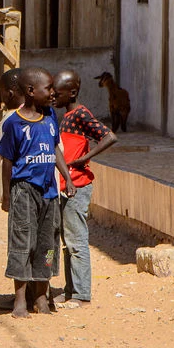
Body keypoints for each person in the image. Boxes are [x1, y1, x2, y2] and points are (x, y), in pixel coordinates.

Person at [0, 67, 76, 318]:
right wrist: (7, 196)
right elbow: (7, 161)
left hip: (49, 193)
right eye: (48, 89)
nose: (53, 93)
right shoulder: (14, 123)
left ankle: (42, 296)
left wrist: (67, 177)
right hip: (24, 191)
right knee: (22, 241)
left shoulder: (50, 118)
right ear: (31, 91)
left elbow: (55, 151)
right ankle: (20, 300)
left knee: (48, 243)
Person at [51, 70, 117, 308]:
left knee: (76, 241)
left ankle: (81, 294)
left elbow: (109, 137)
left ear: (72, 93)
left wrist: (83, 159)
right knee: (68, 240)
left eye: (56, 93)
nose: (52, 97)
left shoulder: (80, 114)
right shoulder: (65, 116)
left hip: (78, 185)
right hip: (66, 184)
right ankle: (70, 290)